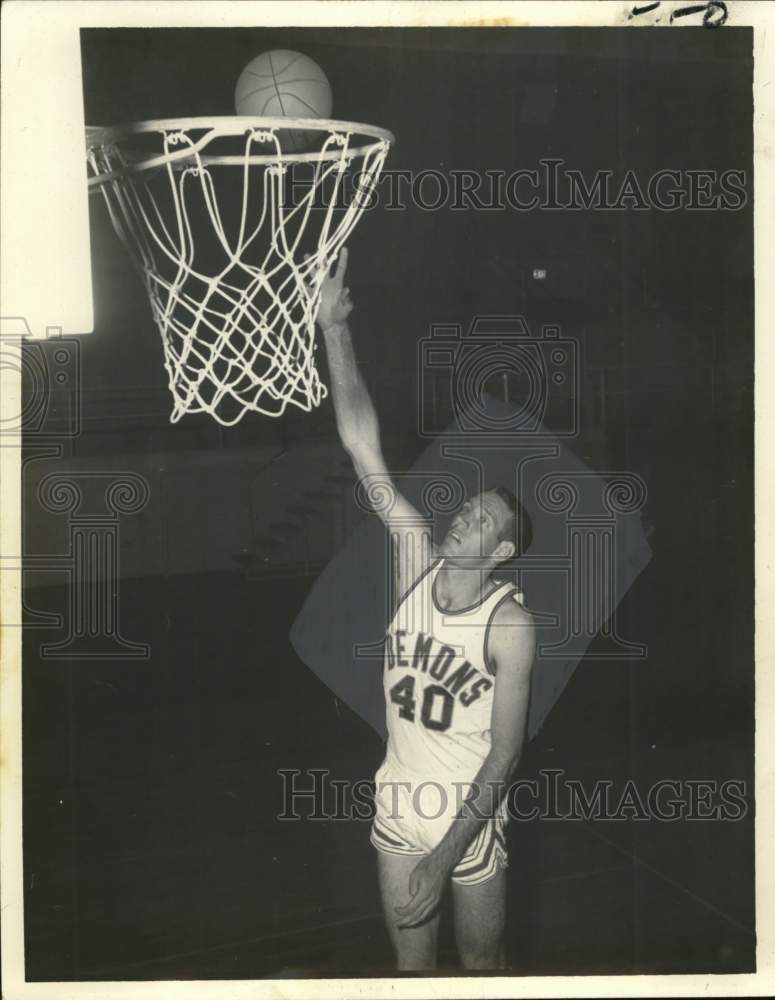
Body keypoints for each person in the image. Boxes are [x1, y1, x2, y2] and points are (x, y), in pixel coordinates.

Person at [314, 247, 536, 971]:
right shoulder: (417, 557)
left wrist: (444, 859)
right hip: (395, 808)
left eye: (480, 521)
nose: (462, 519)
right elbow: (361, 449)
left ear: (501, 553)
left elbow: (504, 758)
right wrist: (333, 330)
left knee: (481, 967)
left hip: (464, 824)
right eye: (466, 507)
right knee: (411, 975)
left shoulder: (509, 624)